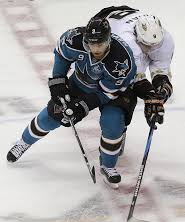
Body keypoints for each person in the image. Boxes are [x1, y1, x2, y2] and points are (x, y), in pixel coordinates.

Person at [6, 17, 163, 188]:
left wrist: (83, 106)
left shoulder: (122, 61)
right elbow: (62, 54)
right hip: (80, 84)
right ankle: (23, 142)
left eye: (100, 45)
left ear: (109, 39)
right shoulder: (74, 39)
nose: (95, 49)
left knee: (113, 123)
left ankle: (108, 166)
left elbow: (107, 93)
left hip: (112, 94)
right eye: (91, 44)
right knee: (52, 115)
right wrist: (58, 81)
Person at [94, 5, 174, 106]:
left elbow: (161, 70)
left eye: (155, 44)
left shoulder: (166, 39)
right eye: (146, 43)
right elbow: (136, 79)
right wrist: (150, 95)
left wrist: (163, 88)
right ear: (136, 36)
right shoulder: (126, 41)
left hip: (127, 13)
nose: (151, 48)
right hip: (104, 19)